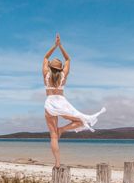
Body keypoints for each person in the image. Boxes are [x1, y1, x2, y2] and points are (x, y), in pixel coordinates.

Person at [43, 33, 106, 168]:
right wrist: (61, 46)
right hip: (61, 101)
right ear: (59, 68)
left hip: (49, 103)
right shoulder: (63, 75)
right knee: (80, 121)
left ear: (50, 67)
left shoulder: (46, 74)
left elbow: (45, 57)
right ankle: (63, 130)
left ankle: (57, 163)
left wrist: (54, 46)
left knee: (53, 136)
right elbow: (68, 59)